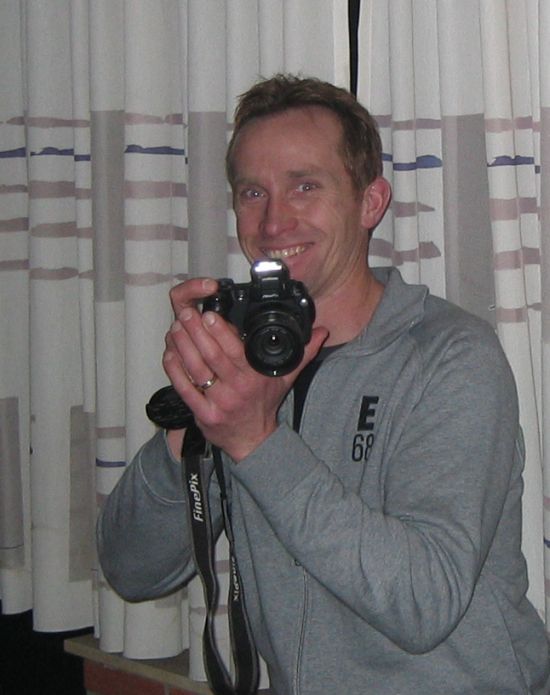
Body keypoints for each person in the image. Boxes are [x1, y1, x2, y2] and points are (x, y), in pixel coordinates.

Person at [97, 74, 550, 694]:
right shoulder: (248, 365)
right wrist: (199, 412)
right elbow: (132, 569)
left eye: (305, 186)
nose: (273, 221)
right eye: (253, 192)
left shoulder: (450, 357)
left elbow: (423, 601)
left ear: (370, 202)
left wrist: (256, 443)